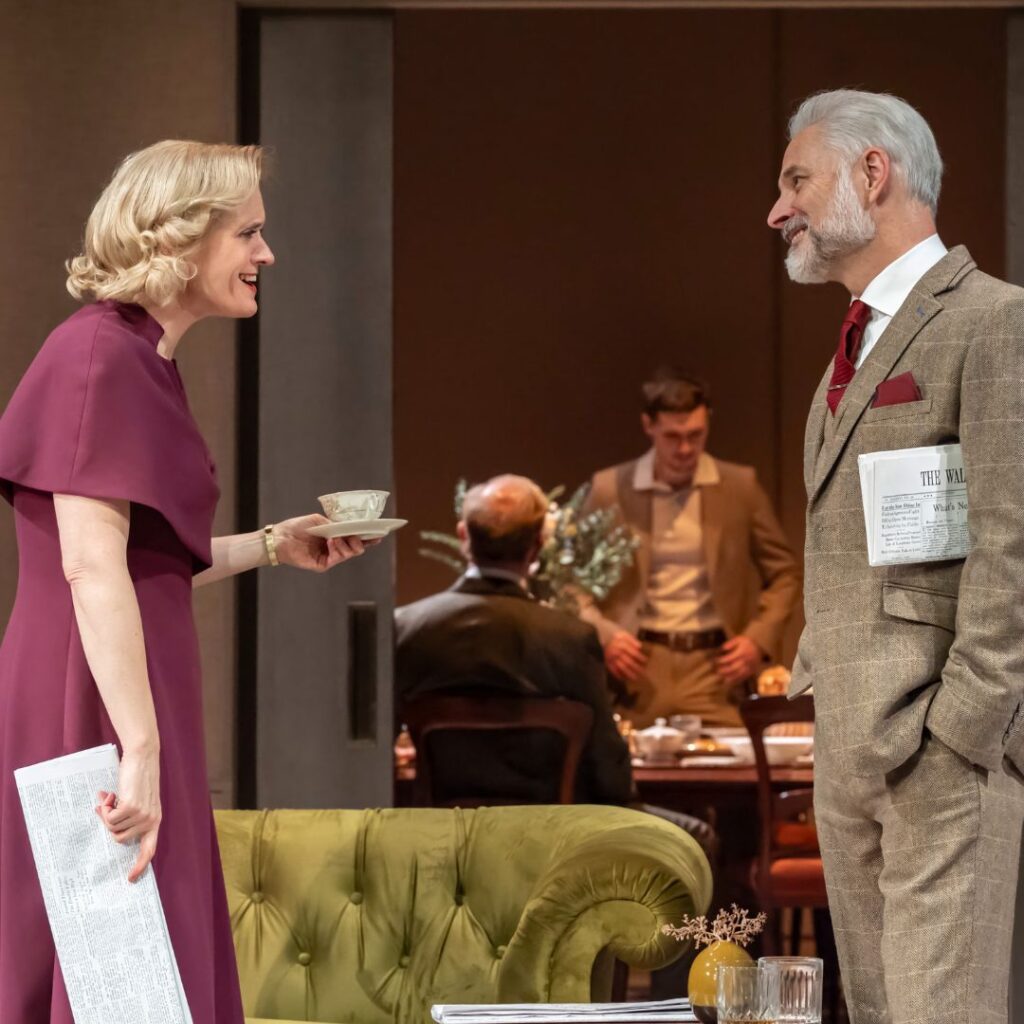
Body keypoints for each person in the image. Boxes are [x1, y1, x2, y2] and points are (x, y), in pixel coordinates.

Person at [0, 141, 376, 1023]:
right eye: (248, 233)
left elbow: (147, 566)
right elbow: (88, 564)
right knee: (115, 971)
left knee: (137, 963)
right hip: (88, 704)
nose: (265, 255)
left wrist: (278, 544)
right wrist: (141, 748)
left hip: (124, 697)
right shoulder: (98, 355)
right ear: (179, 238)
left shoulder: (142, 357)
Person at [767, 89, 1024, 1024]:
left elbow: (1015, 546)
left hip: (939, 750)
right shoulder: (857, 341)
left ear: (873, 173)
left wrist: (960, 730)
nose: (777, 207)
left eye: (797, 178)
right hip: (852, 750)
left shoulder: (995, 320)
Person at [395, 474, 634, 805]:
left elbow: (376, 750)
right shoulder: (570, 638)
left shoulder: (407, 627)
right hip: (550, 840)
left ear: (463, 536)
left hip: (437, 839)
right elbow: (607, 766)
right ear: (538, 544)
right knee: (695, 835)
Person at [580, 370, 801, 727]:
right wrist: (604, 636)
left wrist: (756, 640)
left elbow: (785, 574)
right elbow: (569, 583)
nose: (684, 449)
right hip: (637, 668)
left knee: (730, 772)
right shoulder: (609, 489)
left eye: (695, 435)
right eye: (672, 437)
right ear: (648, 426)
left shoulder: (738, 487)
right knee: (629, 773)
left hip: (715, 669)